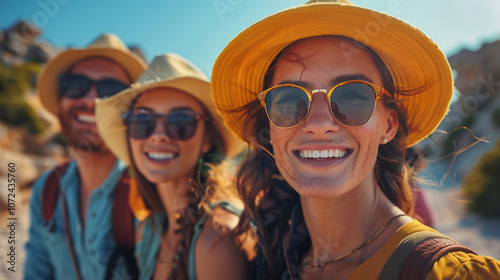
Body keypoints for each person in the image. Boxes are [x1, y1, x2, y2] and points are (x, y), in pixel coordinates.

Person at [210, 0, 500, 279]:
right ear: (270, 129)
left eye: (352, 97)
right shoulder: (268, 260)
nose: (319, 124)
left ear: (389, 125)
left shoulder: (451, 274)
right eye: (289, 100)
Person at [95, 53, 254, 280]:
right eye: (142, 122)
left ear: (207, 140)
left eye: (180, 122)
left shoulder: (217, 237)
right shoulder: (149, 231)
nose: (158, 136)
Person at [24, 33, 147, 279]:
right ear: (60, 100)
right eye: (74, 85)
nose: (91, 100)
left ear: (129, 112)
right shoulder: (46, 190)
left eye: (111, 91)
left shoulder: (150, 195)